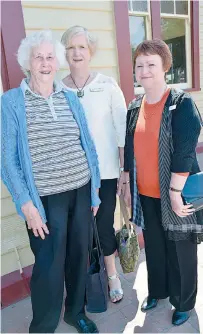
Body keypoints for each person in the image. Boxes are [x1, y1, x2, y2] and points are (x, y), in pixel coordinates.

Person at [1, 30, 101, 334]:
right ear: (27, 63)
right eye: (38, 57)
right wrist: (26, 203)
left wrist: (94, 189)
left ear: (56, 62)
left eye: (49, 57)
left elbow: (88, 145)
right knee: (48, 265)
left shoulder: (69, 97)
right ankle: (43, 325)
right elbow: (7, 158)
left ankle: (75, 313)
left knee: (77, 256)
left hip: (81, 190)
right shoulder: (12, 101)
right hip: (44, 198)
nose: (45, 63)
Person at [123, 39, 203, 326]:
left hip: (176, 194)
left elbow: (185, 147)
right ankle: (158, 290)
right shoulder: (135, 105)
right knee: (155, 246)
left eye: (151, 65)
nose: (144, 70)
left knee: (181, 250)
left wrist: (174, 190)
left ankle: (183, 302)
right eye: (140, 65)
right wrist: (125, 176)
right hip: (146, 192)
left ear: (165, 68)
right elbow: (131, 145)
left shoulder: (180, 104)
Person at [61, 26, 127, 303]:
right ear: (64, 53)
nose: (77, 53)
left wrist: (125, 171)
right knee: (78, 229)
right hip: (73, 176)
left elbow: (122, 130)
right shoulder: (57, 89)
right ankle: (87, 276)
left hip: (107, 173)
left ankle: (111, 274)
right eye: (71, 48)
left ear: (91, 52)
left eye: (82, 47)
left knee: (102, 225)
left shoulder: (107, 85)